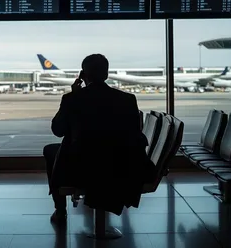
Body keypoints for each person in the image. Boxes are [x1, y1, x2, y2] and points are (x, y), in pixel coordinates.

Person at [43, 54, 155, 224]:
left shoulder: (72, 99)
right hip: (121, 167)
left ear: (83, 75)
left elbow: (58, 131)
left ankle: (60, 210)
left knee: (50, 150)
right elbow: (135, 135)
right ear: (107, 74)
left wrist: (73, 97)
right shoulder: (128, 100)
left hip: (82, 170)